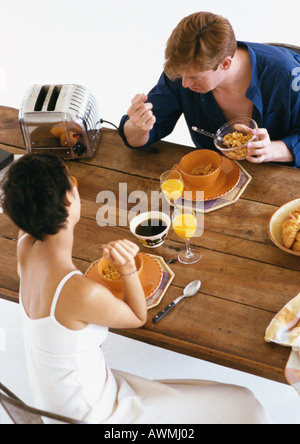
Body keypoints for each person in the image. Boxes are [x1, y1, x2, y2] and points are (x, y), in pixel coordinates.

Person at [0, 154, 271, 424]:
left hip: (61, 406)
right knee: (245, 403)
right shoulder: (79, 292)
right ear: (68, 199)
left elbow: (23, 188)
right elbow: (137, 316)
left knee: (202, 393)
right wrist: (127, 266)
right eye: (72, 181)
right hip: (95, 415)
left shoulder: (24, 247)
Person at [119, 11, 300, 168]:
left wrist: (273, 150)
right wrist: (137, 127)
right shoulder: (184, 71)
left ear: (225, 63)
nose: (184, 84)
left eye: (194, 77)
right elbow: (141, 136)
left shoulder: (286, 73)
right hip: (217, 178)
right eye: (181, 76)